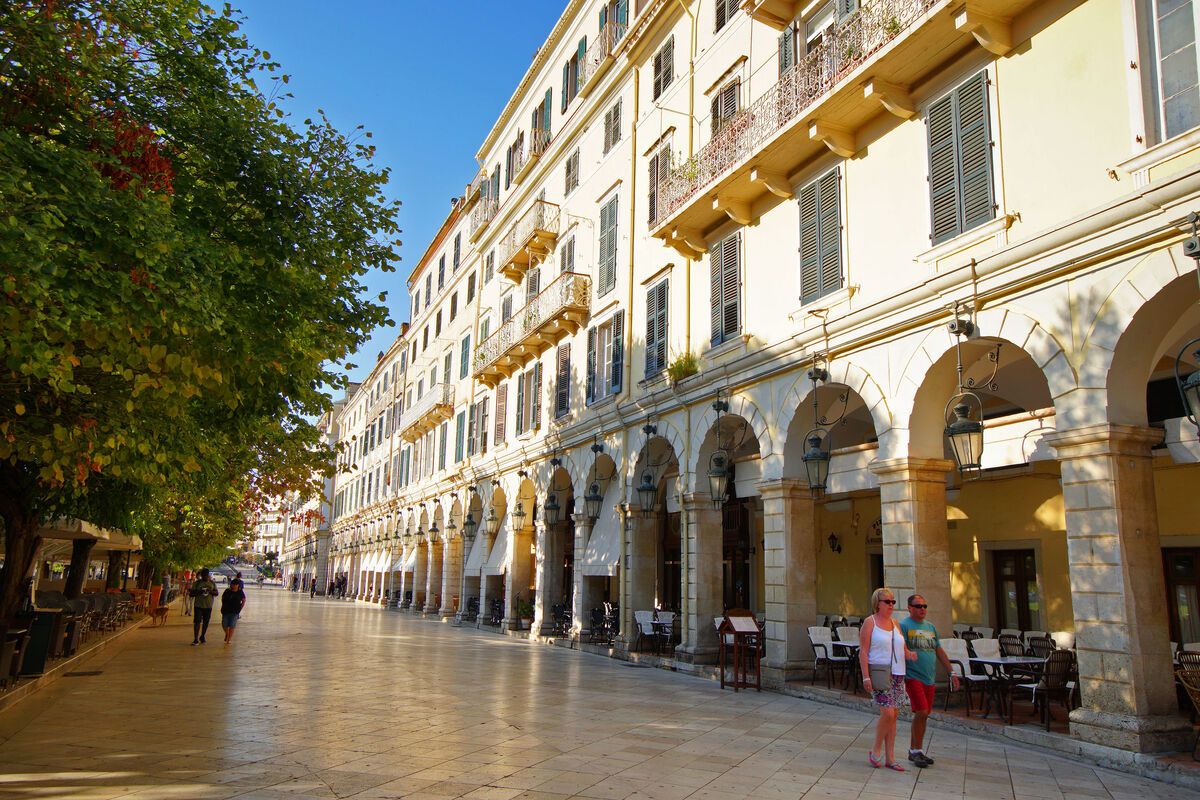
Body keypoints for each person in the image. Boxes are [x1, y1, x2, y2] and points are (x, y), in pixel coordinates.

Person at [859, 587, 916, 771]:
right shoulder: (870, 622)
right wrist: (866, 676)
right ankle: (876, 749)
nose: (891, 605)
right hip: (880, 673)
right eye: (887, 602)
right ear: (878, 603)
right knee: (888, 714)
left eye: (893, 601)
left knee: (894, 717)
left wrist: (910, 654)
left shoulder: (895, 624)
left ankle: (890, 758)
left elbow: (902, 647)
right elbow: (864, 651)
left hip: (898, 673)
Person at [901, 595, 959, 768]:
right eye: (918, 606)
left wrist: (951, 672)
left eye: (924, 606)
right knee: (922, 711)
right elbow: (899, 648)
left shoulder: (930, 627)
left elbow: (939, 650)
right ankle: (914, 750)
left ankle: (917, 749)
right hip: (913, 676)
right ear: (909, 607)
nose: (922, 609)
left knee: (925, 714)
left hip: (929, 677)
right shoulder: (904, 626)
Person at [190, 568, 219, 645]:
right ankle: (195, 639)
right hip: (198, 605)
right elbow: (191, 594)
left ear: (208, 575)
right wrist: (199, 592)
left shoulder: (212, 583)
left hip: (208, 606)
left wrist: (210, 591)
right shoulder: (197, 583)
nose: (205, 577)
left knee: (206, 622)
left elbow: (216, 593)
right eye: (203, 575)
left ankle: (202, 636)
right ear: (201, 575)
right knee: (197, 622)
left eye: (206, 575)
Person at [220, 578, 247, 644]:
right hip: (226, 610)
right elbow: (223, 598)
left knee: (232, 625)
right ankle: (227, 633)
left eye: (235, 585)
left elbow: (243, 600)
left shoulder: (240, 592)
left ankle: (228, 639)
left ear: (238, 585)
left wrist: (240, 608)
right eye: (233, 584)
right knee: (224, 624)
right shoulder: (227, 590)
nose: (234, 586)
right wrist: (223, 605)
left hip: (235, 611)